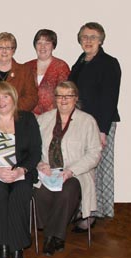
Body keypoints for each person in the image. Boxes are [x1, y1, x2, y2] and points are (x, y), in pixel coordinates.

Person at [0, 81, 41, 258]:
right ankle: (3, 247)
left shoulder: (28, 119)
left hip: (20, 173)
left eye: (5, 96)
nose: (1, 101)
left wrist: (21, 170)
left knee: (19, 195)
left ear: (13, 98)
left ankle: (17, 248)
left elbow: (35, 152)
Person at [35, 81, 101, 256]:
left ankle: (52, 237)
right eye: (59, 95)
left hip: (75, 174)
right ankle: (56, 233)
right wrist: (40, 164)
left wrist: (71, 170)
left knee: (67, 191)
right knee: (39, 193)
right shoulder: (43, 120)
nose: (63, 99)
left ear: (76, 98)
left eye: (68, 95)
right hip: (47, 173)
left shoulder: (87, 121)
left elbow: (94, 153)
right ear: (54, 98)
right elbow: (31, 148)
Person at [68, 22, 121, 222]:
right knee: (84, 167)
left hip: (100, 124)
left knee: (100, 167)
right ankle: (84, 209)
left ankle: (97, 212)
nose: (88, 41)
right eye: (84, 37)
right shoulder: (81, 61)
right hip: (81, 124)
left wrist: (103, 130)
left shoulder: (109, 62)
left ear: (101, 40)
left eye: (93, 37)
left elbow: (110, 98)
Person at [0, 32, 38, 112]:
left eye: (8, 48)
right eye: (1, 47)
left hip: (16, 116)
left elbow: (32, 98)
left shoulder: (25, 71)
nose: (4, 51)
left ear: (13, 51)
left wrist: (10, 109)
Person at [25, 29, 70, 115]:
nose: (42, 47)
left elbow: (65, 96)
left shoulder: (61, 67)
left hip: (52, 117)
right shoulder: (26, 67)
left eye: (47, 43)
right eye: (39, 43)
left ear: (53, 46)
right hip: (28, 118)